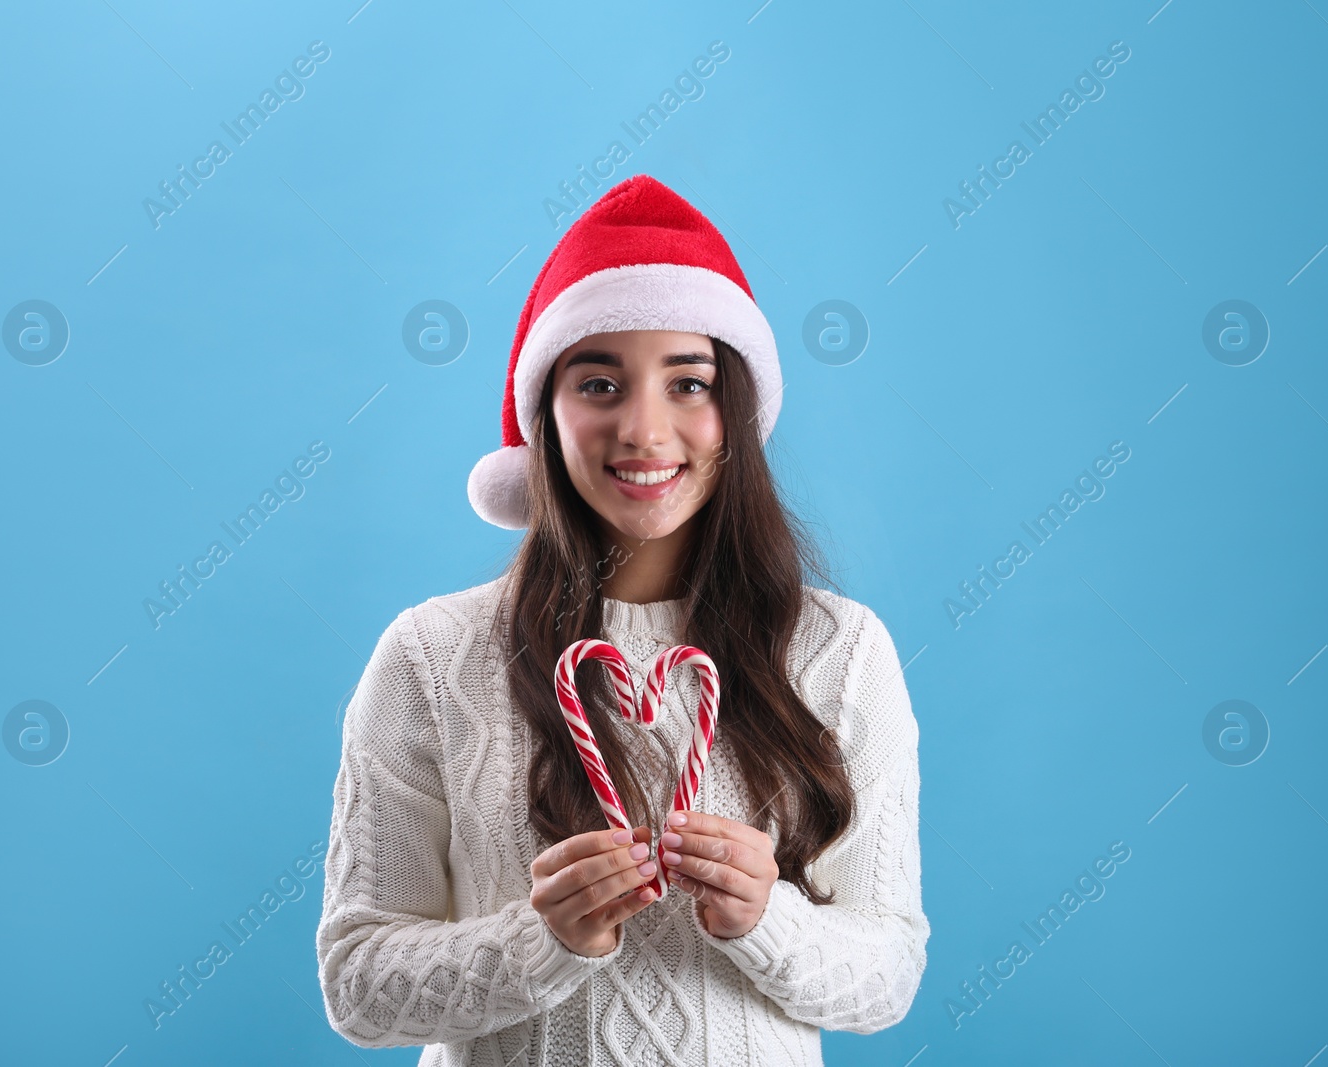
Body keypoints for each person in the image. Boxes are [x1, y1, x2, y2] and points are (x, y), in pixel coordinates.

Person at [315, 174, 927, 1065]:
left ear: (740, 410)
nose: (644, 428)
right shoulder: (430, 657)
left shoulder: (841, 652)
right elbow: (359, 984)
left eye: (689, 383)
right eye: (599, 382)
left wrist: (769, 921)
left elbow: (888, 975)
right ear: (544, 413)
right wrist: (541, 940)